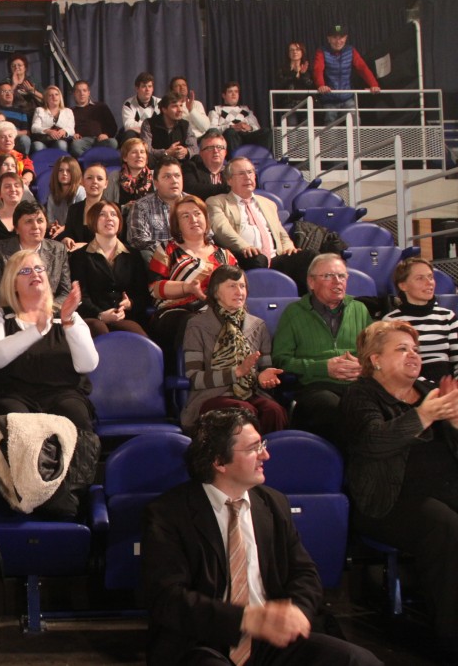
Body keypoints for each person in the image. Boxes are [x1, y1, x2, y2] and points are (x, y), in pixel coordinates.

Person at [142, 408, 384, 666]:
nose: (265, 455)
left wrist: (296, 612)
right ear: (219, 462)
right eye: (253, 449)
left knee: (359, 661)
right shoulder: (168, 513)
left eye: (262, 445)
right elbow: (167, 598)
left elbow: (304, 572)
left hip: (270, 640)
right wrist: (246, 619)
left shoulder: (274, 503)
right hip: (202, 642)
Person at [340, 320, 458, 658]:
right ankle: (452, 640)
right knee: (446, 527)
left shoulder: (429, 391)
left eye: (415, 350)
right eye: (402, 349)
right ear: (375, 359)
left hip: (444, 490)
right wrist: (422, 416)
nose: (413, 355)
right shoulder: (360, 396)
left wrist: (455, 422)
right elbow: (372, 442)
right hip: (388, 501)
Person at [0, 249, 97, 430]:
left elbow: (88, 365)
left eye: (39, 268)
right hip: (13, 395)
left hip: (63, 394)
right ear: (13, 284)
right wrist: (36, 330)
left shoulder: (68, 316)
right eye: (25, 271)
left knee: (74, 413)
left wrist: (67, 322)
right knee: (18, 421)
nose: (34, 274)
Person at [272, 253, 372, 442]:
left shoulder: (359, 309)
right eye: (328, 276)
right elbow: (281, 360)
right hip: (316, 386)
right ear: (311, 282)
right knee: (333, 409)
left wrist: (363, 366)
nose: (337, 281)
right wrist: (323, 367)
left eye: (341, 276)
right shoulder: (294, 313)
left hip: (358, 385)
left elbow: (374, 354)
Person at [181, 265, 287, 435]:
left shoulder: (258, 325)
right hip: (211, 397)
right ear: (216, 292)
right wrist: (235, 373)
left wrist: (263, 377)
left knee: (273, 411)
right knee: (244, 413)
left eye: (242, 286)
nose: (239, 292)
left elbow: (263, 369)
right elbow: (194, 378)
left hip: (250, 394)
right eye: (232, 286)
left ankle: (267, 452)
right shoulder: (197, 326)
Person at [148, 194, 237, 366]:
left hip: (216, 310)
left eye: (197, 214)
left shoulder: (225, 255)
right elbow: (155, 288)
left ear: (206, 219)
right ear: (177, 225)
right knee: (195, 322)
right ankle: (194, 374)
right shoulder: (167, 250)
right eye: (185, 216)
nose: (193, 219)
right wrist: (187, 288)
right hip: (174, 312)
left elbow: (237, 287)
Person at [208, 157, 312, 292]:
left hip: (275, 257)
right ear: (229, 180)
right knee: (257, 258)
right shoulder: (217, 202)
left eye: (250, 172)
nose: (247, 177)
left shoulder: (268, 203)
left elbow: (281, 233)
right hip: (244, 255)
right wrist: (244, 246)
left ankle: (304, 300)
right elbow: (222, 230)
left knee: (309, 257)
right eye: (241, 174)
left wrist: (288, 247)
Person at [69, 200, 149, 338]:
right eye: (102, 214)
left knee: (137, 336)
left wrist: (130, 304)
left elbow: (143, 294)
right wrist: (100, 314)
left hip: (125, 317)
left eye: (113, 214)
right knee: (99, 330)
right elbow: (80, 297)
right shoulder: (79, 256)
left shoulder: (133, 255)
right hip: (92, 318)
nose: (109, 218)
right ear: (93, 220)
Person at [0, 200, 72, 313]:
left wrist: (46, 309)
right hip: (9, 313)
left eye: (40, 221)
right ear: (16, 228)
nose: (36, 226)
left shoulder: (58, 249)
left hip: (48, 312)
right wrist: (27, 309)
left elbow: (65, 292)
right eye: (29, 221)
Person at [382, 257, 458, 384]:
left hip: (448, 385)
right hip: (412, 385)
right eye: (420, 278)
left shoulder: (447, 316)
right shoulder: (391, 321)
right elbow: (394, 366)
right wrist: (427, 387)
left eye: (430, 277)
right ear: (403, 285)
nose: (429, 283)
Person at [313, 23, 381, 125]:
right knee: (329, 122)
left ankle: (355, 137)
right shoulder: (322, 51)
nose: (338, 41)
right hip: (329, 99)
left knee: (355, 120)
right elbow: (318, 69)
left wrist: (374, 84)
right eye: (334, 38)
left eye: (341, 38)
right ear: (329, 39)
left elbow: (362, 68)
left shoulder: (351, 50)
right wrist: (321, 85)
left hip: (347, 98)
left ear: (346, 38)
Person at [127, 156, 185, 263]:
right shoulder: (142, 206)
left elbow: (208, 236)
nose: (174, 181)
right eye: (167, 177)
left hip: (193, 257)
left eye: (177, 176)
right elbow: (138, 239)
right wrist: (174, 251)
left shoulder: (194, 203)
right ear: (156, 183)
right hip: (161, 261)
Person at [209, 82, 272, 153]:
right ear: (224, 95)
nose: (234, 94)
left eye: (236, 92)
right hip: (231, 136)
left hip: (247, 136)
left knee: (266, 131)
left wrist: (250, 128)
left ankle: (261, 157)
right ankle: (236, 158)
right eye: (230, 92)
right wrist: (231, 127)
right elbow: (212, 129)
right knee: (230, 132)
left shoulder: (246, 110)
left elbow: (257, 128)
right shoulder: (216, 109)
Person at [141, 92, 198, 165]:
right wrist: (166, 153)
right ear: (164, 109)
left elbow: (194, 148)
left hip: (180, 164)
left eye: (181, 105)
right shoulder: (149, 123)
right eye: (175, 106)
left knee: (197, 159)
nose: (180, 110)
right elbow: (146, 149)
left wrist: (186, 151)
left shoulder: (185, 125)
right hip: (157, 163)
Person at [69, 80, 120, 158]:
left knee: (113, 142)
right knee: (75, 145)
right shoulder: (70, 111)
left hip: (100, 140)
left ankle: (90, 159)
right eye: (78, 91)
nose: (82, 93)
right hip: (82, 142)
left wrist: (106, 135)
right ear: (74, 94)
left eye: (84, 90)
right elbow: (67, 129)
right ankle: (92, 160)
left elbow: (113, 126)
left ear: (88, 93)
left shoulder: (100, 106)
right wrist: (73, 134)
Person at [0, 121, 35, 188]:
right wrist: (7, 184)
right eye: (3, 137)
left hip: (20, 186)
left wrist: (23, 181)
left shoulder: (23, 157)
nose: (8, 139)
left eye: (10, 136)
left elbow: (29, 172)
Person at [44, 156, 85, 243]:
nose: (64, 173)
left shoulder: (80, 191)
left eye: (68, 171)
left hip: (76, 234)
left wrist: (63, 228)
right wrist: (54, 227)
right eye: (60, 170)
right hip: (59, 233)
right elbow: (51, 220)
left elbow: (80, 222)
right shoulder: (52, 196)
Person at [274, 42, 316, 125]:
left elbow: (312, 86)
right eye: (292, 50)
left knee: (306, 129)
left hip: (305, 105)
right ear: (288, 53)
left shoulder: (308, 68)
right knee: (292, 127)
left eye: (298, 49)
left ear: (302, 52)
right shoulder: (283, 69)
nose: (295, 52)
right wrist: (293, 73)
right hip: (289, 105)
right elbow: (280, 85)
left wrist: (303, 75)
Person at [183, 130, 231, 200]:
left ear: (225, 152)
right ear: (201, 153)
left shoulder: (232, 170)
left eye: (219, 147)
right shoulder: (191, 167)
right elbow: (191, 189)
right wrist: (228, 188)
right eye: (210, 148)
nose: (215, 151)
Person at [104, 138, 153, 207]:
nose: (139, 156)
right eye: (134, 152)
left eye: (142, 152)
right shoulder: (113, 176)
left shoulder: (155, 176)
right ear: (125, 157)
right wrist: (124, 207)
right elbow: (106, 205)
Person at [31, 85, 74, 152]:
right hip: (43, 140)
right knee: (37, 145)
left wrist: (64, 131)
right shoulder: (39, 110)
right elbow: (34, 128)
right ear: (46, 99)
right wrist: (48, 131)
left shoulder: (68, 111)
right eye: (50, 95)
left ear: (60, 97)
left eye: (56, 94)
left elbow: (71, 130)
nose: (54, 97)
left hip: (60, 140)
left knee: (61, 144)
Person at [121, 72, 160, 144]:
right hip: (137, 136)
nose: (147, 89)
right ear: (137, 88)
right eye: (144, 86)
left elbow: (162, 124)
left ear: (153, 89)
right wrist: (150, 127)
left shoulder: (160, 103)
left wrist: (139, 126)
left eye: (150, 86)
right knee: (129, 134)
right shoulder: (128, 104)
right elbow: (128, 125)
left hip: (155, 135)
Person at [169, 76, 210, 140]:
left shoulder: (197, 104)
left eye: (184, 85)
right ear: (172, 90)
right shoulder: (170, 106)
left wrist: (191, 110)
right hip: (183, 138)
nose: (182, 87)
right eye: (178, 86)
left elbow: (205, 127)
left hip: (201, 138)